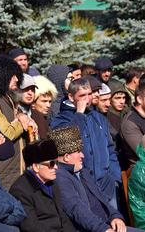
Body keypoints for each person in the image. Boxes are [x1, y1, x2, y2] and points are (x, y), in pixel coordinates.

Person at [51, 126, 139, 232]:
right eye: (78, 151)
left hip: (105, 224)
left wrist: (115, 216)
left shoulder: (83, 171)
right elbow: (76, 209)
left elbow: (102, 198)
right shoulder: (60, 178)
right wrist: (103, 229)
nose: (83, 155)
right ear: (66, 157)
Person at [50, 78, 121, 206]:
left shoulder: (98, 117)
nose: (87, 99)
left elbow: (110, 148)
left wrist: (115, 178)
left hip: (107, 185)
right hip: (82, 187)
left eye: (89, 94)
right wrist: (79, 114)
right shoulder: (60, 119)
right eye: (82, 95)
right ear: (71, 97)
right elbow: (68, 143)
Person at [0, 56, 36, 189]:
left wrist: (24, 117)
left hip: (18, 169)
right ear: (1, 76)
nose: (17, 79)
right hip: (3, 171)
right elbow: (5, 134)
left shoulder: (8, 99)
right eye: (13, 76)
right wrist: (21, 121)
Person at [9, 140, 75, 232]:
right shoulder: (20, 191)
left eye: (56, 163)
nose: (56, 167)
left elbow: (63, 217)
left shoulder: (51, 183)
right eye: (51, 164)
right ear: (36, 167)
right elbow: (31, 227)